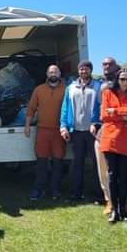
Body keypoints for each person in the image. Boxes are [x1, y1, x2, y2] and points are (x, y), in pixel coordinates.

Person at [100, 68, 127, 222]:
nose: (125, 82)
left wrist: (115, 112)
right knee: (112, 175)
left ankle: (124, 209)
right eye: (122, 79)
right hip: (110, 139)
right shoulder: (107, 93)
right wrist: (126, 115)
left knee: (125, 176)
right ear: (117, 79)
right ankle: (114, 210)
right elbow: (104, 115)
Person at [60, 60, 103, 202]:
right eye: (81, 69)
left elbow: (101, 107)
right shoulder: (71, 87)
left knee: (97, 163)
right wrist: (63, 126)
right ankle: (76, 193)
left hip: (93, 131)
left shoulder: (98, 86)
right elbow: (65, 108)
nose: (84, 71)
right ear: (78, 71)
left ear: (91, 70)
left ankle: (99, 194)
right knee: (77, 163)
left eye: (86, 69)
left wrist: (96, 123)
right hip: (76, 131)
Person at [25, 64, 66, 200]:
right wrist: (27, 126)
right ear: (47, 74)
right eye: (50, 72)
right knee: (41, 162)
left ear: (60, 74)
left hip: (59, 131)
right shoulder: (39, 89)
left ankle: (55, 190)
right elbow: (31, 108)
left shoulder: (66, 90)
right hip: (43, 130)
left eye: (55, 72)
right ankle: (38, 189)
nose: (53, 74)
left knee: (58, 162)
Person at [95, 57, 120, 213]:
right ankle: (109, 200)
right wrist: (94, 123)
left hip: (119, 132)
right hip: (102, 132)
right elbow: (96, 108)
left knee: (119, 170)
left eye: (109, 64)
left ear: (116, 66)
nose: (106, 66)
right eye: (104, 64)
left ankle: (124, 201)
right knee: (102, 169)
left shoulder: (123, 82)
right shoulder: (100, 84)